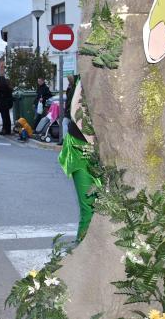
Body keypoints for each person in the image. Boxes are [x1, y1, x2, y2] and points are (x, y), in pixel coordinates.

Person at [58, 77, 101, 242]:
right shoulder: (85, 78)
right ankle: (81, 248)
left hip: (105, 150)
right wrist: (93, 142)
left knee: (104, 205)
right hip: (80, 146)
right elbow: (76, 110)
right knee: (89, 205)